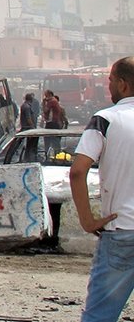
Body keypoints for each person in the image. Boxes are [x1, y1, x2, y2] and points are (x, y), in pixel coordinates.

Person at [72, 57, 134, 322]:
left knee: (99, 316)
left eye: (109, 80)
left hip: (121, 231)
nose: (108, 86)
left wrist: (87, 221)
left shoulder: (105, 119)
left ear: (122, 84)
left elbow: (77, 171)